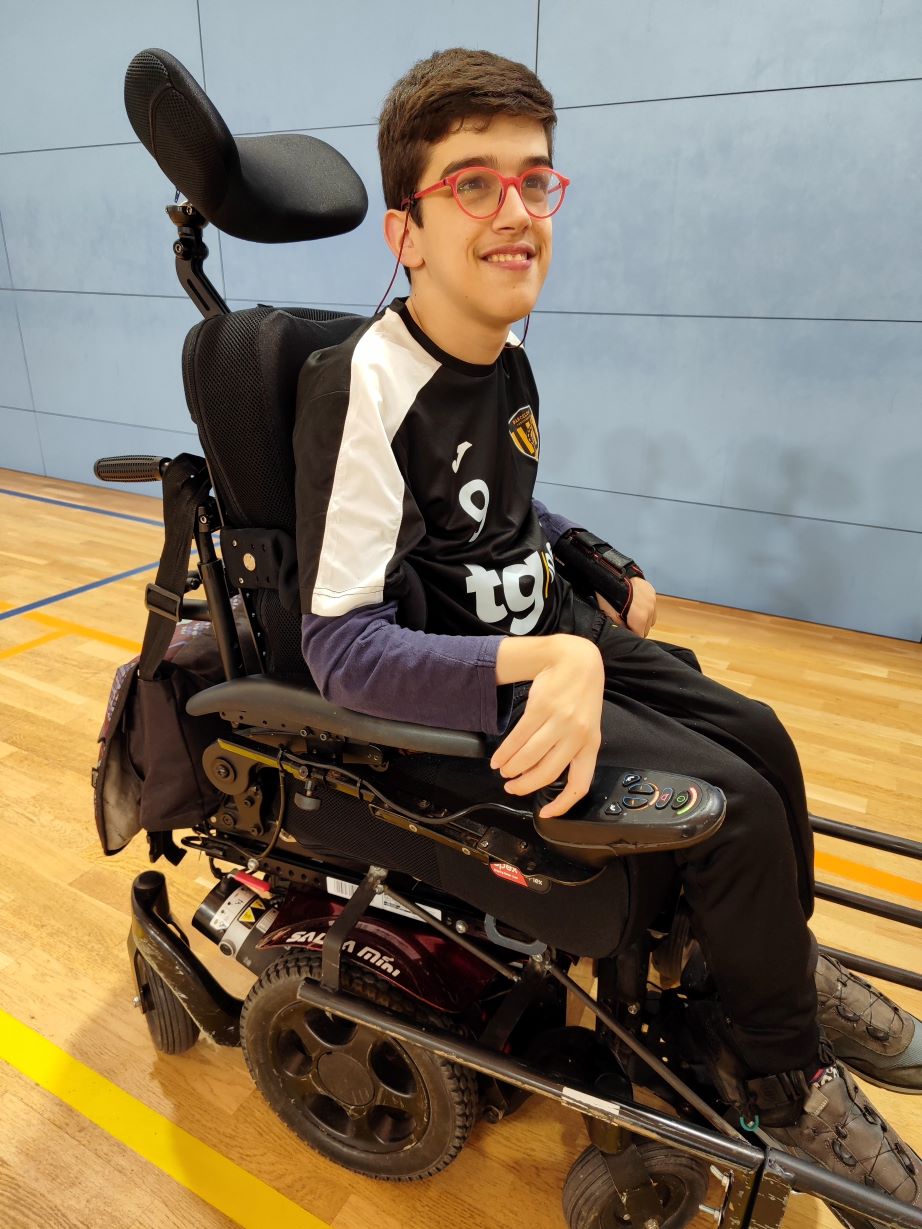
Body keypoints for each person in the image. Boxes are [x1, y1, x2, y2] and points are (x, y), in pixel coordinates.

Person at [293, 47, 922, 1205]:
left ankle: (779, 974)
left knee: (761, 734)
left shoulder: (503, 354)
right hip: (476, 689)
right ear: (406, 235)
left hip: (556, 631)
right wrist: (550, 658)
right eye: (473, 183)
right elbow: (339, 646)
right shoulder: (365, 385)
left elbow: (504, 510)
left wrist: (590, 555)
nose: (515, 210)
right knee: (730, 813)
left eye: (535, 180)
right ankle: (783, 1083)